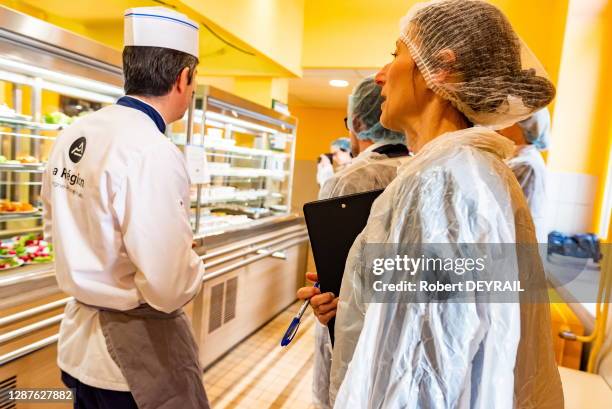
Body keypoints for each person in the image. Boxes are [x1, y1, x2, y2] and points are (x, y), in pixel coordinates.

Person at [312, 1, 563, 407]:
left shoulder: (441, 183)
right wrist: (358, 306)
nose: (380, 75)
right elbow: (434, 325)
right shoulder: (473, 171)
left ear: (439, 68)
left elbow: (419, 374)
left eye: (396, 55)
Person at [41, 7, 209, 409]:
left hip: (79, 347)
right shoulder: (153, 150)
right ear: (184, 78)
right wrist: (192, 262)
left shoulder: (74, 132)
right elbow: (168, 288)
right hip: (129, 362)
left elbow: (53, 229)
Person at [298, 77, 410, 409]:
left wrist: (329, 292)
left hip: (348, 331)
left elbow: (336, 278)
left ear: (358, 123)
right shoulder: (420, 171)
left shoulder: (348, 181)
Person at [501, 108, 551, 243]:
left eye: (508, 120)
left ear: (521, 127)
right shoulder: (520, 158)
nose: (501, 125)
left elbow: (507, 210)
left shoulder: (525, 164)